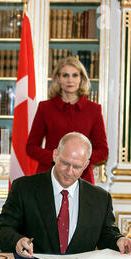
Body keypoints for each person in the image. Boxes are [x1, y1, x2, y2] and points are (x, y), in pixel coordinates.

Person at [0, 132, 131, 258]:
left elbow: (106, 234)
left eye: (76, 167)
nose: (69, 171)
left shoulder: (100, 198)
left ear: (86, 165)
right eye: (65, 163)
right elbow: (3, 230)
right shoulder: (24, 188)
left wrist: (119, 240)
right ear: (55, 155)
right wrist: (17, 242)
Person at [26, 56, 108, 184]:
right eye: (65, 75)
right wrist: (57, 159)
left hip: (82, 178)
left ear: (81, 78)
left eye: (75, 75)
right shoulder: (45, 108)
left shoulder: (93, 110)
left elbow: (103, 152)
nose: (70, 80)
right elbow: (31, 147)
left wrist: (77, 162)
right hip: (49, 175)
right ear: (58, 78)